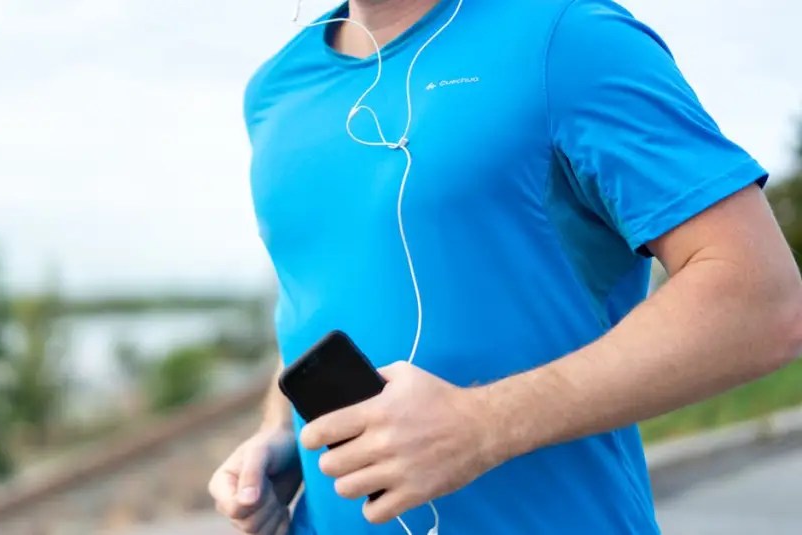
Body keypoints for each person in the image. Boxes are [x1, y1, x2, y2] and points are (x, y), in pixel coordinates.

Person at [208, 0, 802, 534]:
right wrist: (280, 435)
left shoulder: (568, 35)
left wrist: (482, 424)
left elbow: (763, 300)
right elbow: (312, 298)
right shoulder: (274, 92)